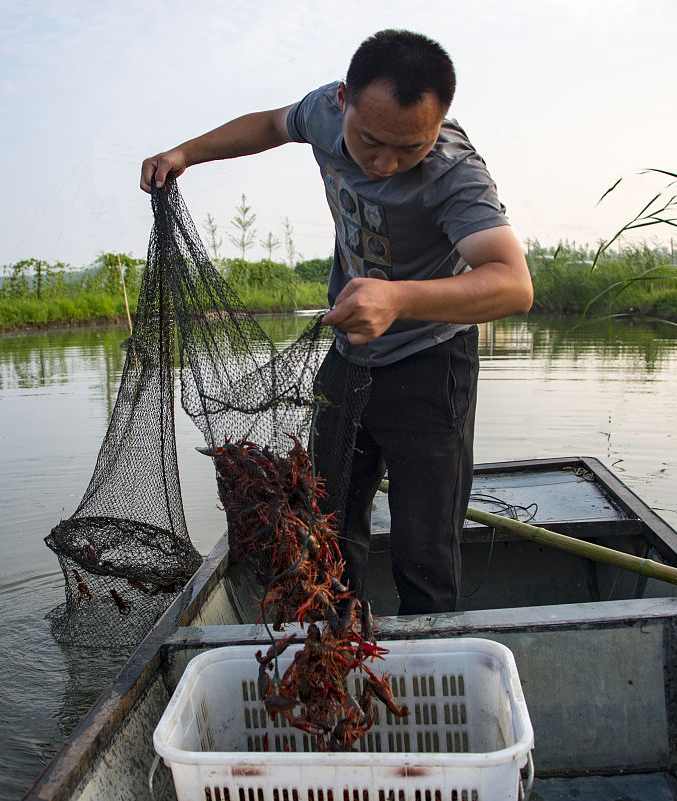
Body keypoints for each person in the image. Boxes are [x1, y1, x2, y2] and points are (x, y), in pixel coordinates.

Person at [141, 29, 533, 615]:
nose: (385, 164)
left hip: (430, 365)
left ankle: (428, 671)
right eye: (371, 142)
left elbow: (513, 283)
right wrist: (185, 154)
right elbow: (272, 124)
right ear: (345, 99)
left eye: (410, 149)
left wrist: (399, 299)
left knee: (424, 548)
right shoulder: (324, 111)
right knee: (326, 526)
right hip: (349, 360)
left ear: (438, 127)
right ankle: (336, 654)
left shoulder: (456, 174)